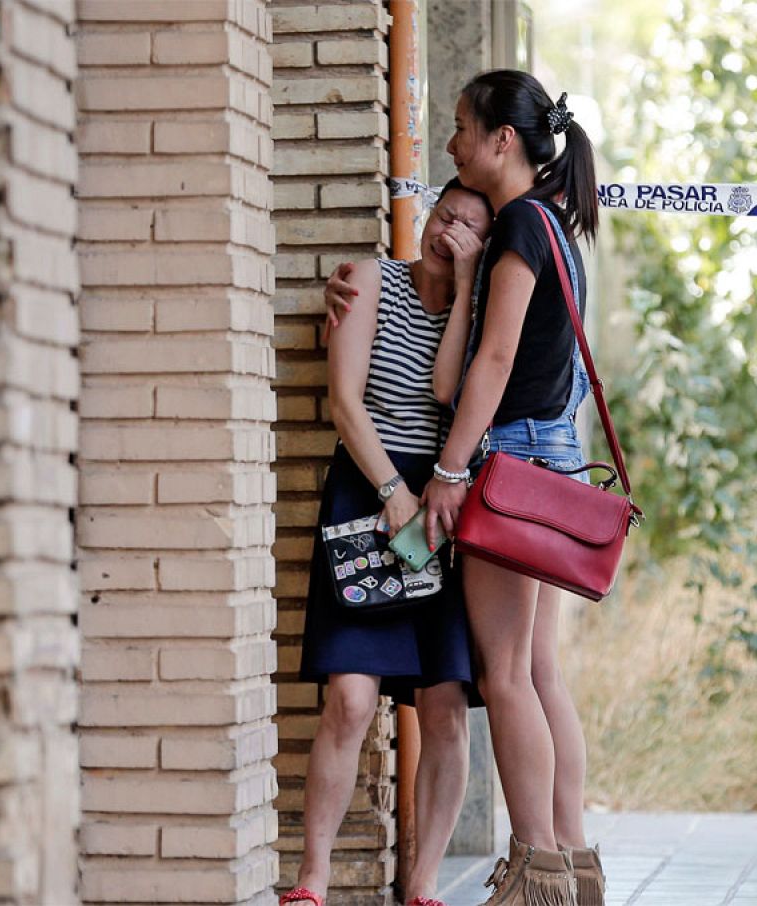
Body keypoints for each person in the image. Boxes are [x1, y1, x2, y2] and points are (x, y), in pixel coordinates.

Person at [342, 69, 606, 906]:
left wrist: (451, 472)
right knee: (539, 670)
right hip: (553, 459)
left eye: (461, 126)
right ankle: (572, 862)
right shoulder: (554, 222)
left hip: (513, 461)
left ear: (502, 139)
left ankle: (536, 870)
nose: (451, 143)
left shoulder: (521, 223)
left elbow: (494, 361)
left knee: (505, 675)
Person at [281, 179, 493, 906]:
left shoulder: (483, 308)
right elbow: (345, 402)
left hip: (444, 504)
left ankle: (424, 884)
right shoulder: (371, 280)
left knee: (444, 706)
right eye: (444, 215)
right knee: (349, 697)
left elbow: (447, 394)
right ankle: (311, 879)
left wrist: (465, 290)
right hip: (369, 492)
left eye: (468, 228)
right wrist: (390, 491)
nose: (448, 232)